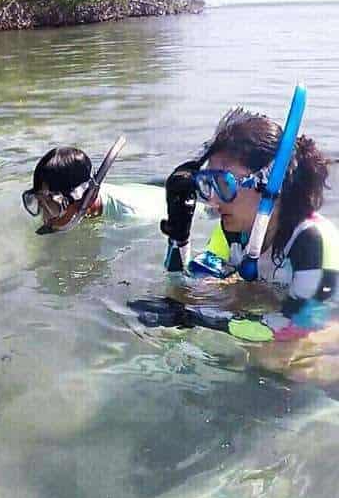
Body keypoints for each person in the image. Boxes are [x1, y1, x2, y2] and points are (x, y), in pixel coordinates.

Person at [138, 106, 337, 347]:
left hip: (321, 327)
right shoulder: (233, 230)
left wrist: (206, 320)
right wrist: (179, 236)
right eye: (208, 184)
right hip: (272, 313)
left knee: (277, 362)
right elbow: (188, 288)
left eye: (224, 184)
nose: (212, 200)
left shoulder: (309, 239)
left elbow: (300, 324)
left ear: (269, 184)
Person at [21, 141, 165, 234]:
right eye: (39, 202)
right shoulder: (80, 206)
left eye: (52, 206)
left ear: (88, 198)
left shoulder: (134, 221)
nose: (44, 217)